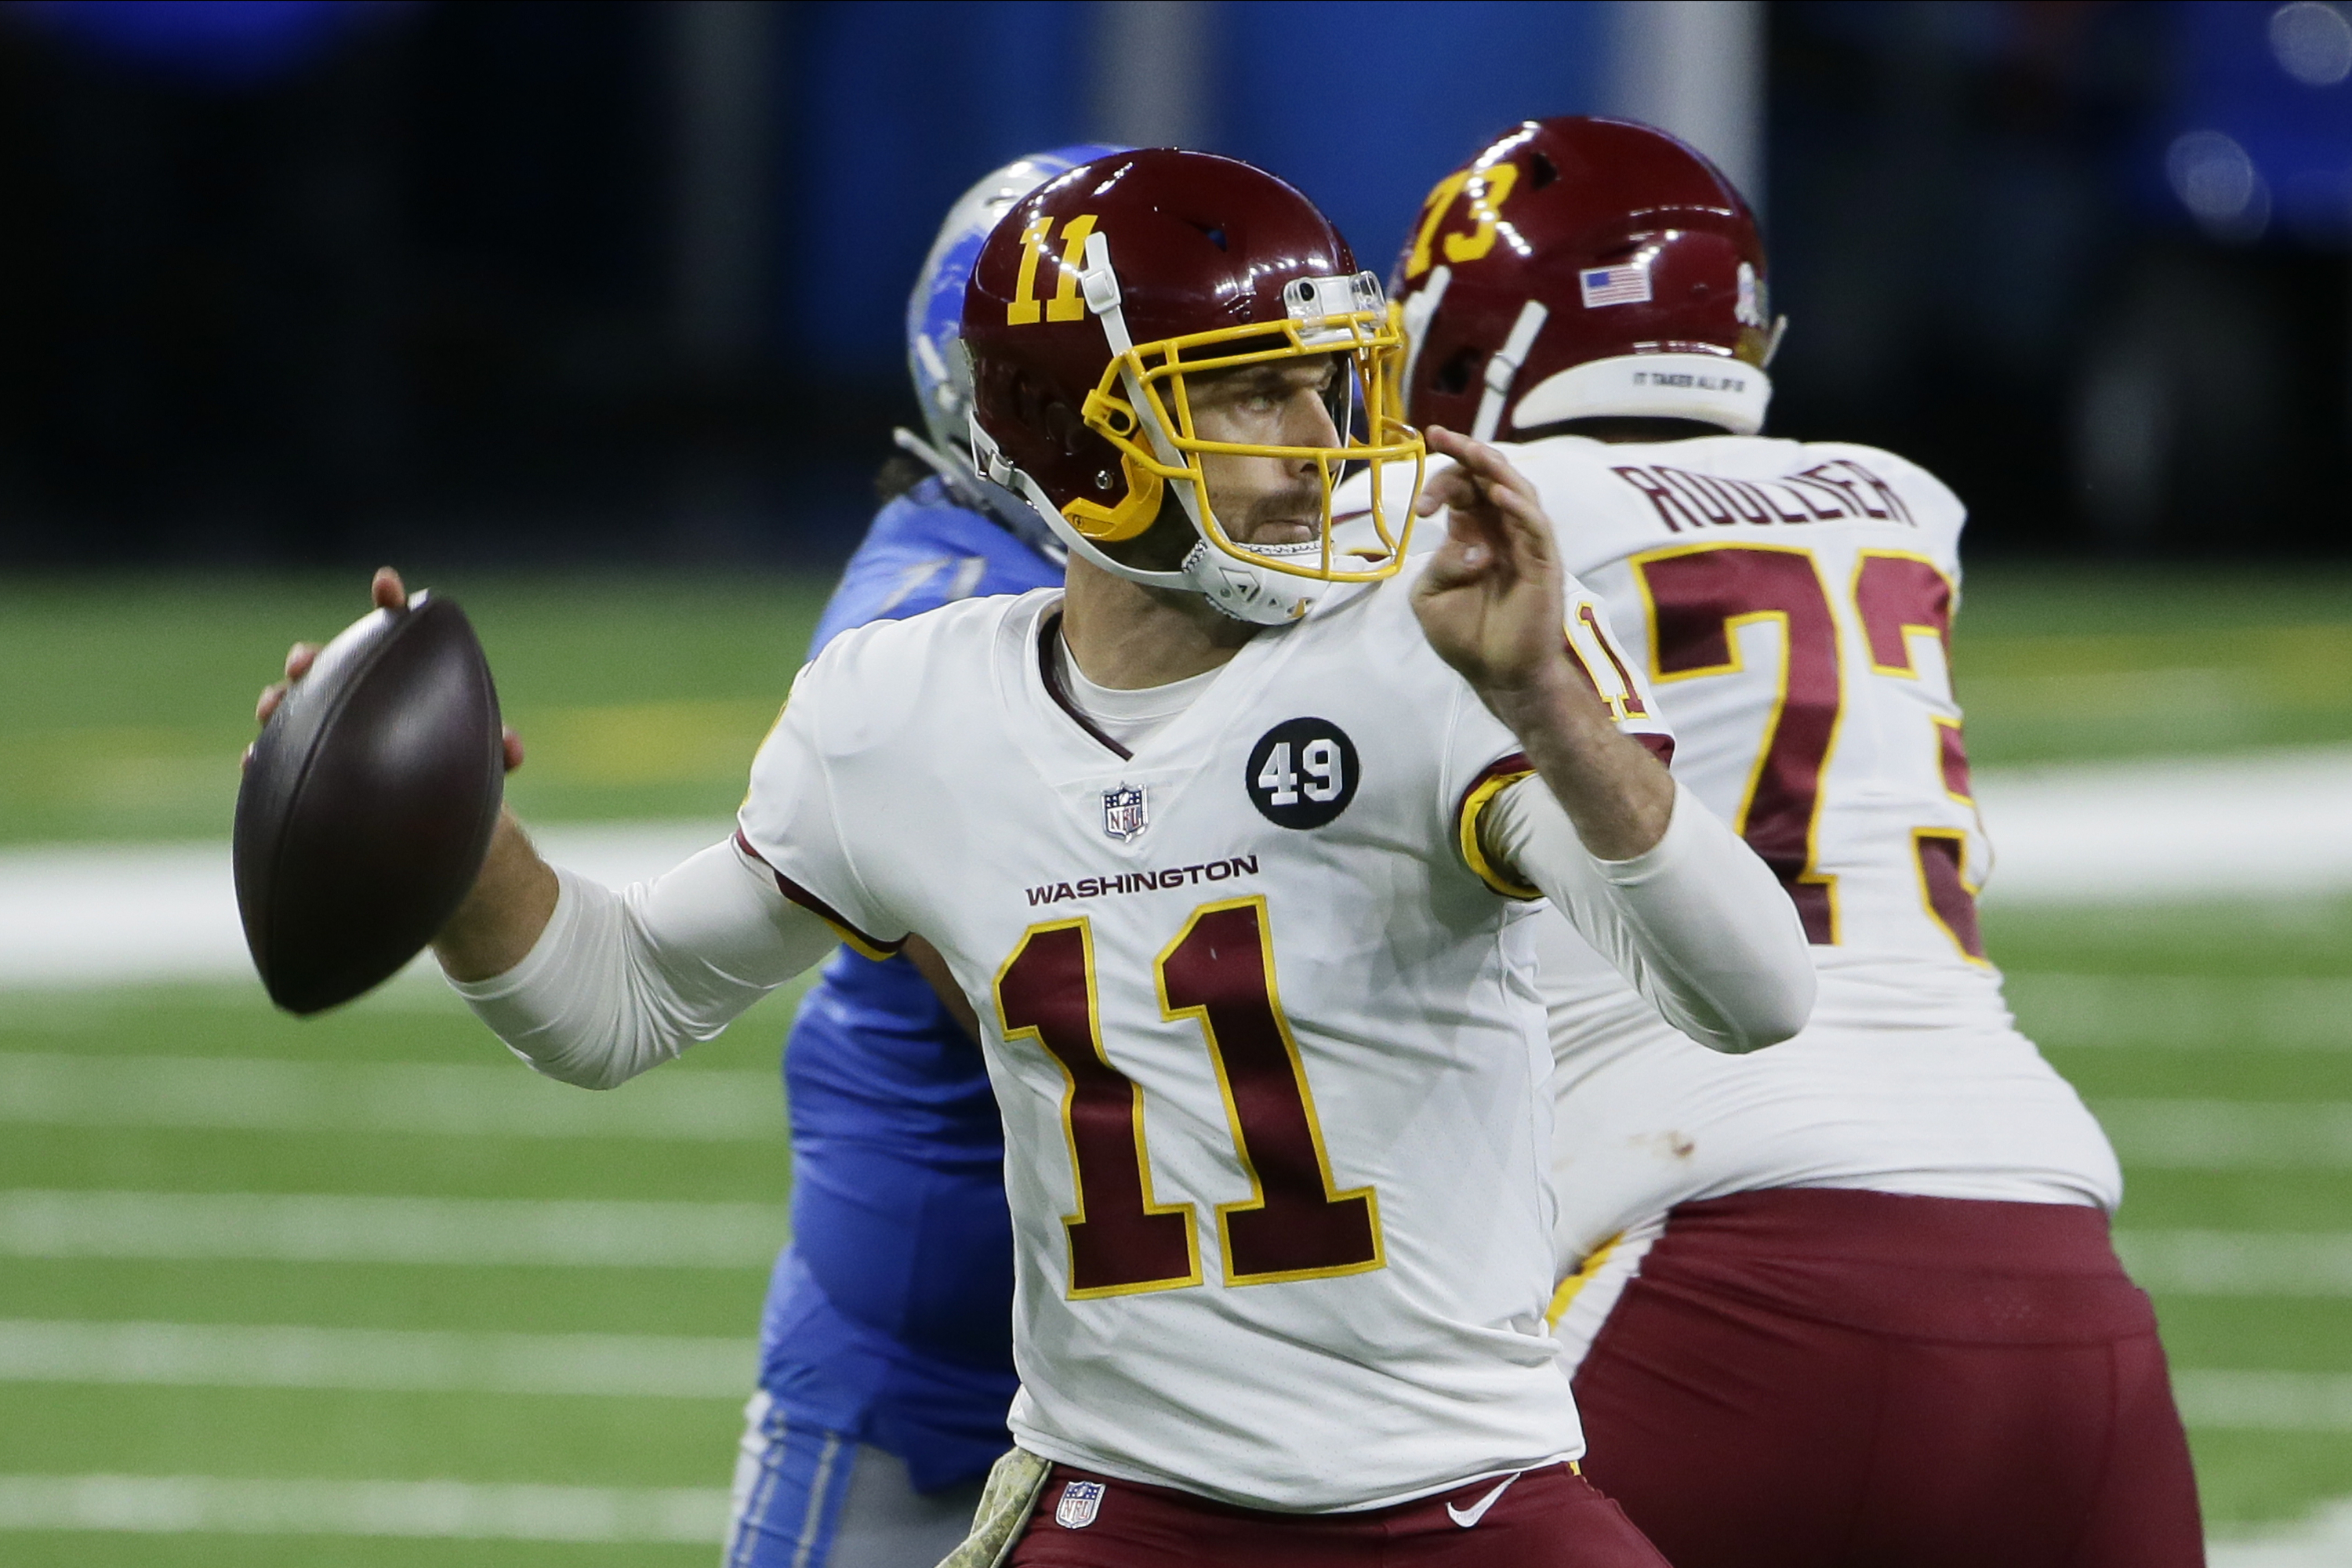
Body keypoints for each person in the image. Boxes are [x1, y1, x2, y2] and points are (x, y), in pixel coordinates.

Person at [261, 147, 1814, 1565]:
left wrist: (1546, 696)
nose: (1322, 449)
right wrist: (457, 841)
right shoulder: (903, 708)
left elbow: (1752, 995)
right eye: (1254, 394)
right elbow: (613, 1004)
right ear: (1092, 441)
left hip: (1473, 1498)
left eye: (1329, 388)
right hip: (1122, 1508)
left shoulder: (1441, 640)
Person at [1377, 116, 2203, 1567]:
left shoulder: (1438, 524)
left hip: (1718, 1255)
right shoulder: (1903, 507)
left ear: (1467, 340)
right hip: (2066, 1275)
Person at [722, 145, 1122, 1568]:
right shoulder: (930, 625)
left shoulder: (1155, 596)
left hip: (1123, 1378)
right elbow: (1055, 999)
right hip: (932, 1374)